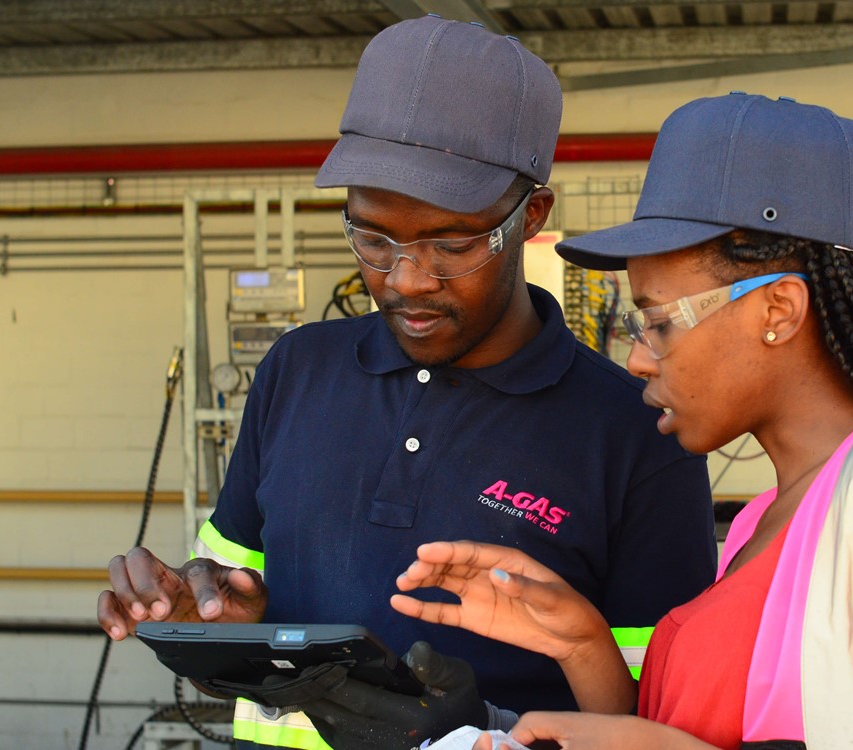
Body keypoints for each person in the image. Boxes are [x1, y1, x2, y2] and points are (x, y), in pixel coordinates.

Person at [390, 93, 853, 749]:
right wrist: (583, 646)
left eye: (658, 322)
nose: (639, 360)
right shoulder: (761, 521)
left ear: (778, 312)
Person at [96, 16, 717, 750]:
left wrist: (482, 735)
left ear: (532, 217)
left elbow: (656, 722)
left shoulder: (637, 431)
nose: (406, 280)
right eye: (372, 237)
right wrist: (209, 624)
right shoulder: (294, 372)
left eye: (451, 243)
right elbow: (236, 632)